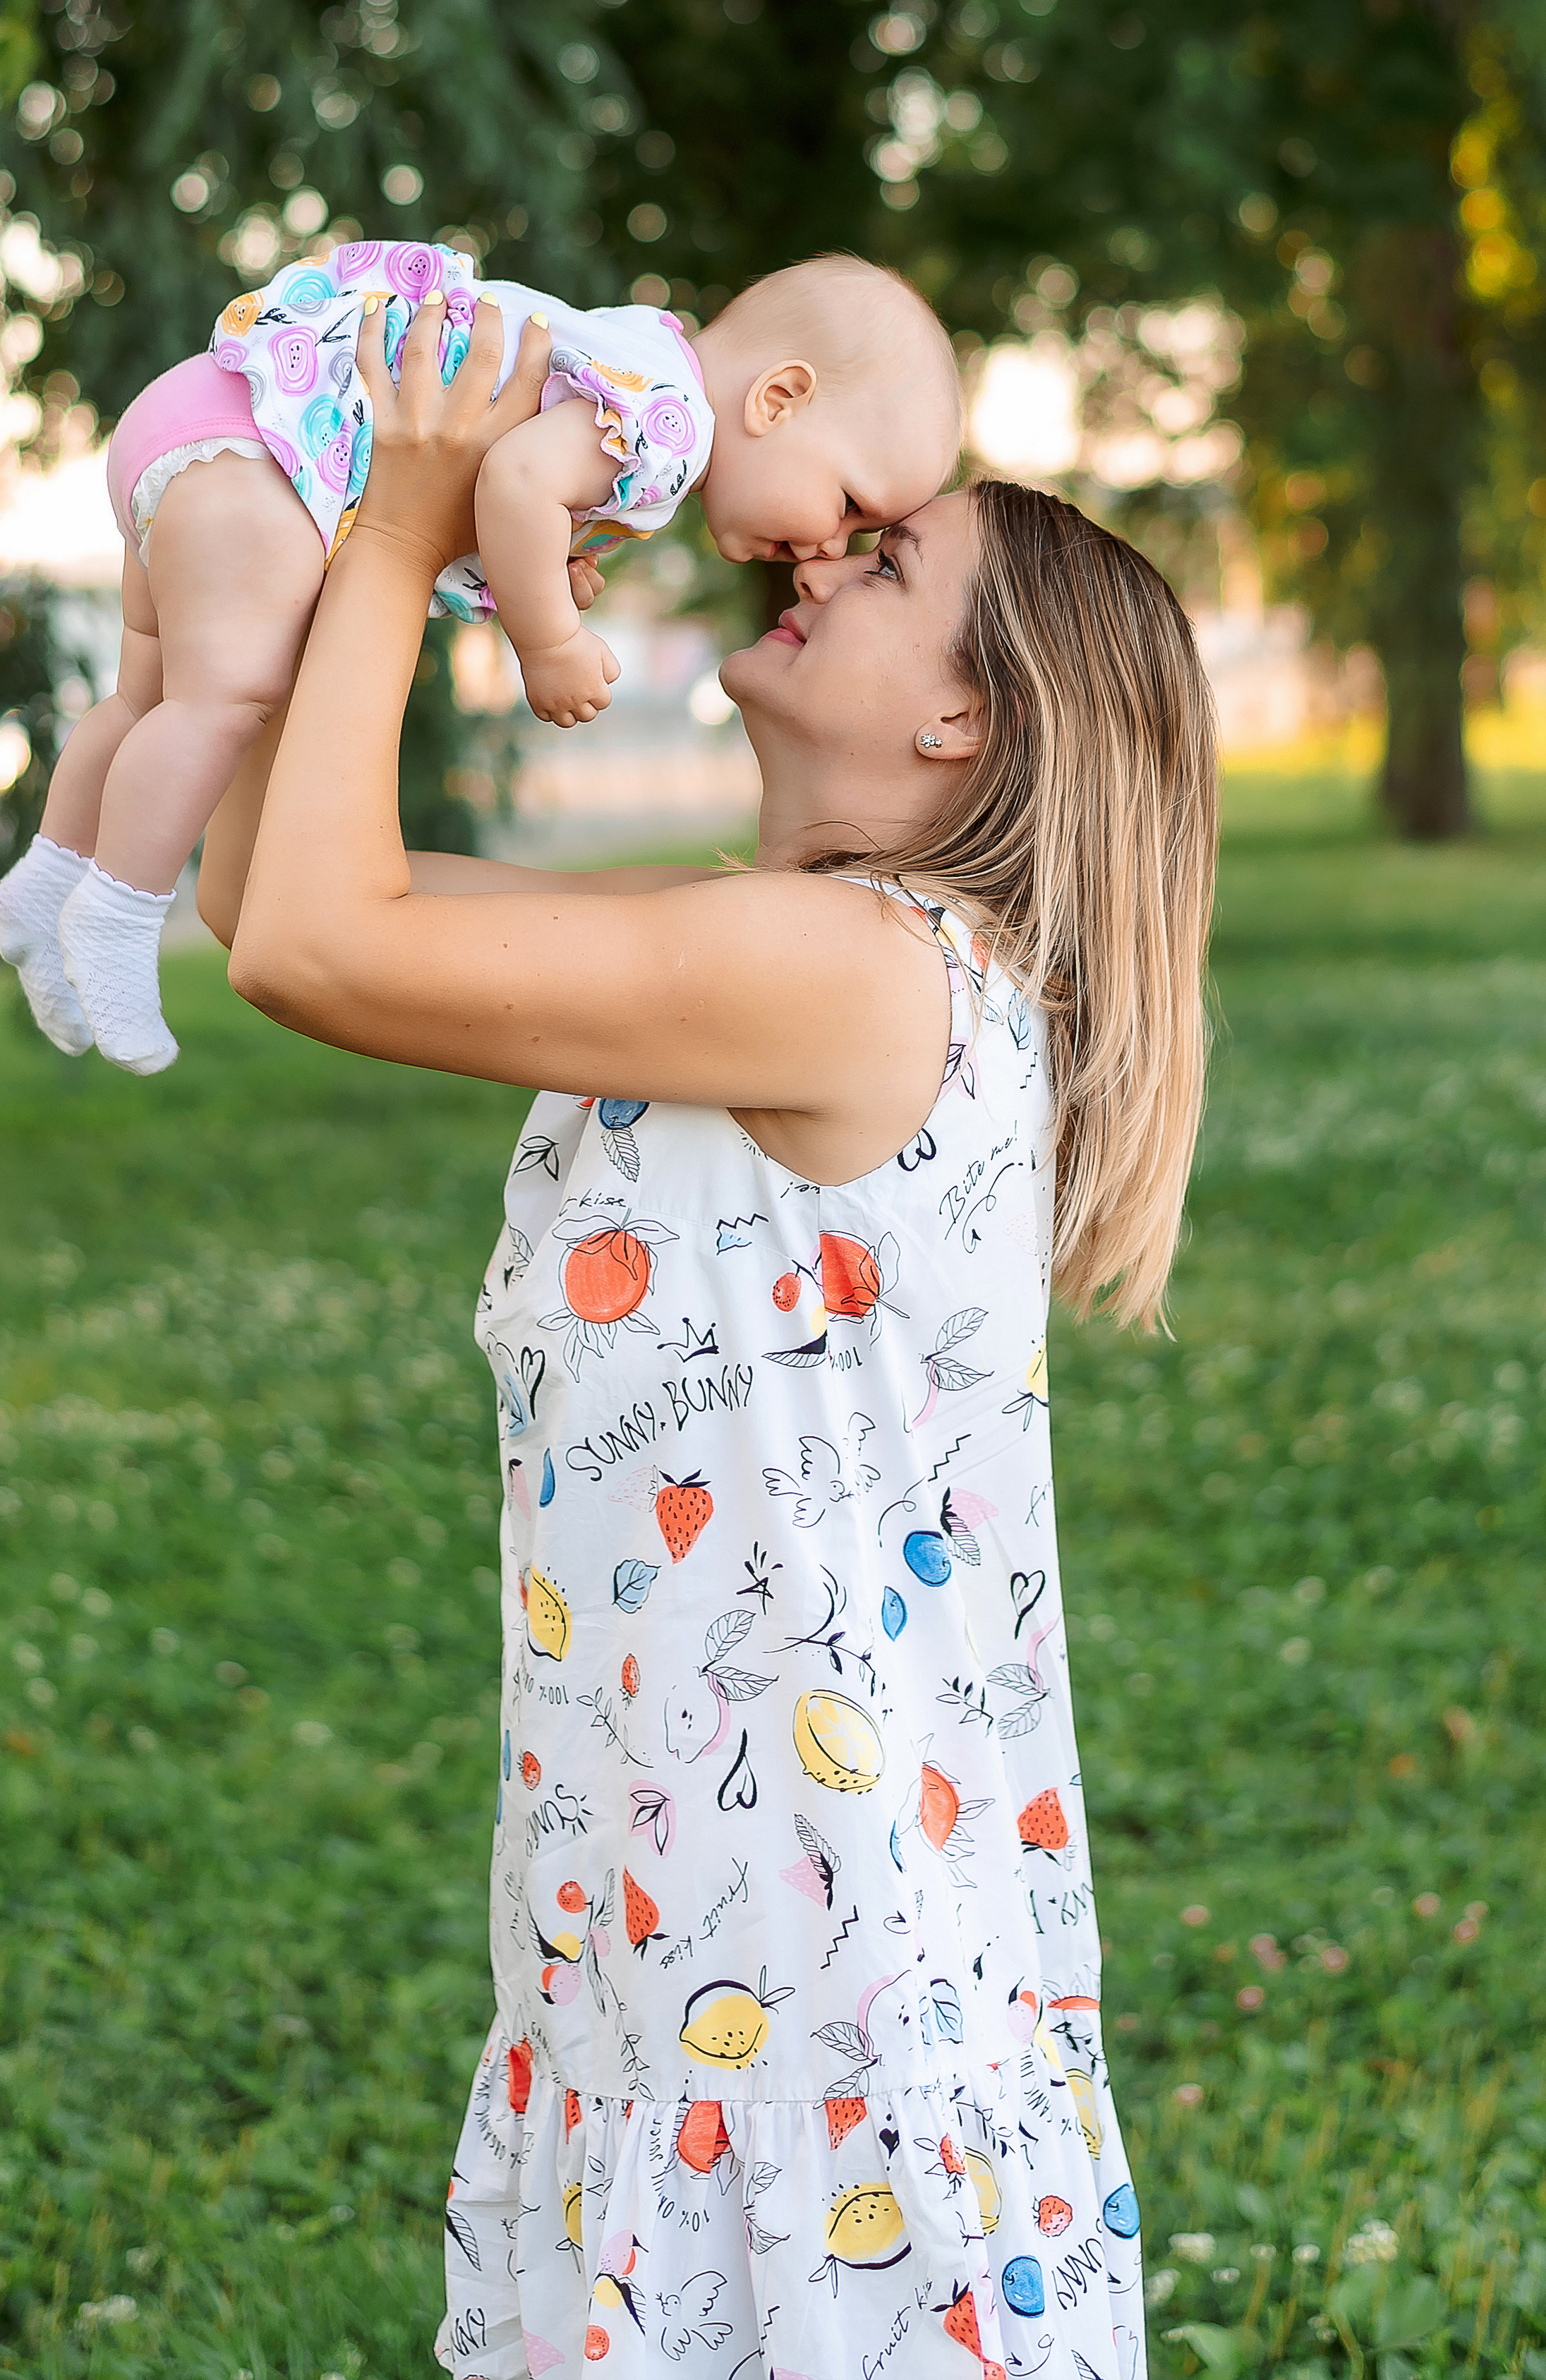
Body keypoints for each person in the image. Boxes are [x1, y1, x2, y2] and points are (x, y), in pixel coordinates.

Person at [199, 297, 1219, 2380]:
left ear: (965, 726)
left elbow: (314, 943)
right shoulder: (764, 955)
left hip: (806, 1976)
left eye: (891, 563)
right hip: (683, 1923)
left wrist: (403, 542)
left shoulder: (851, 971)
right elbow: (264, 885)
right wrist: (287, 518)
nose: (821, 547)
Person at [0, 243, 959, 1077]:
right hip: (264, 456)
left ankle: (48, 876)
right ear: (781, 398)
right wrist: (548, 641)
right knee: (223, 700)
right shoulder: (671, 430)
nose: (830, 553)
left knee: (145, 701)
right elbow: (510, 475)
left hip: (206, 417)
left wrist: (520, 564)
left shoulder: (639, 351)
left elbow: (489, 484)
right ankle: (119, 915)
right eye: (850, 509)